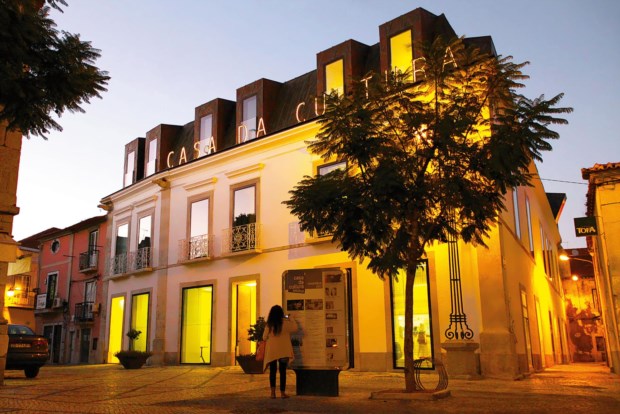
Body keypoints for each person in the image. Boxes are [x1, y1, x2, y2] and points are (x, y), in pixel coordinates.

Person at [263, 304, 296, 399]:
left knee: (272, 371)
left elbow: (264, 337)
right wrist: (291, 318)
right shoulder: (285, 323)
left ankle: (272, 393)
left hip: (272, 351)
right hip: (283, 350)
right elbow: (295, 328)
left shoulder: (269, 324)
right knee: (283, 372)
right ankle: (282, 393)